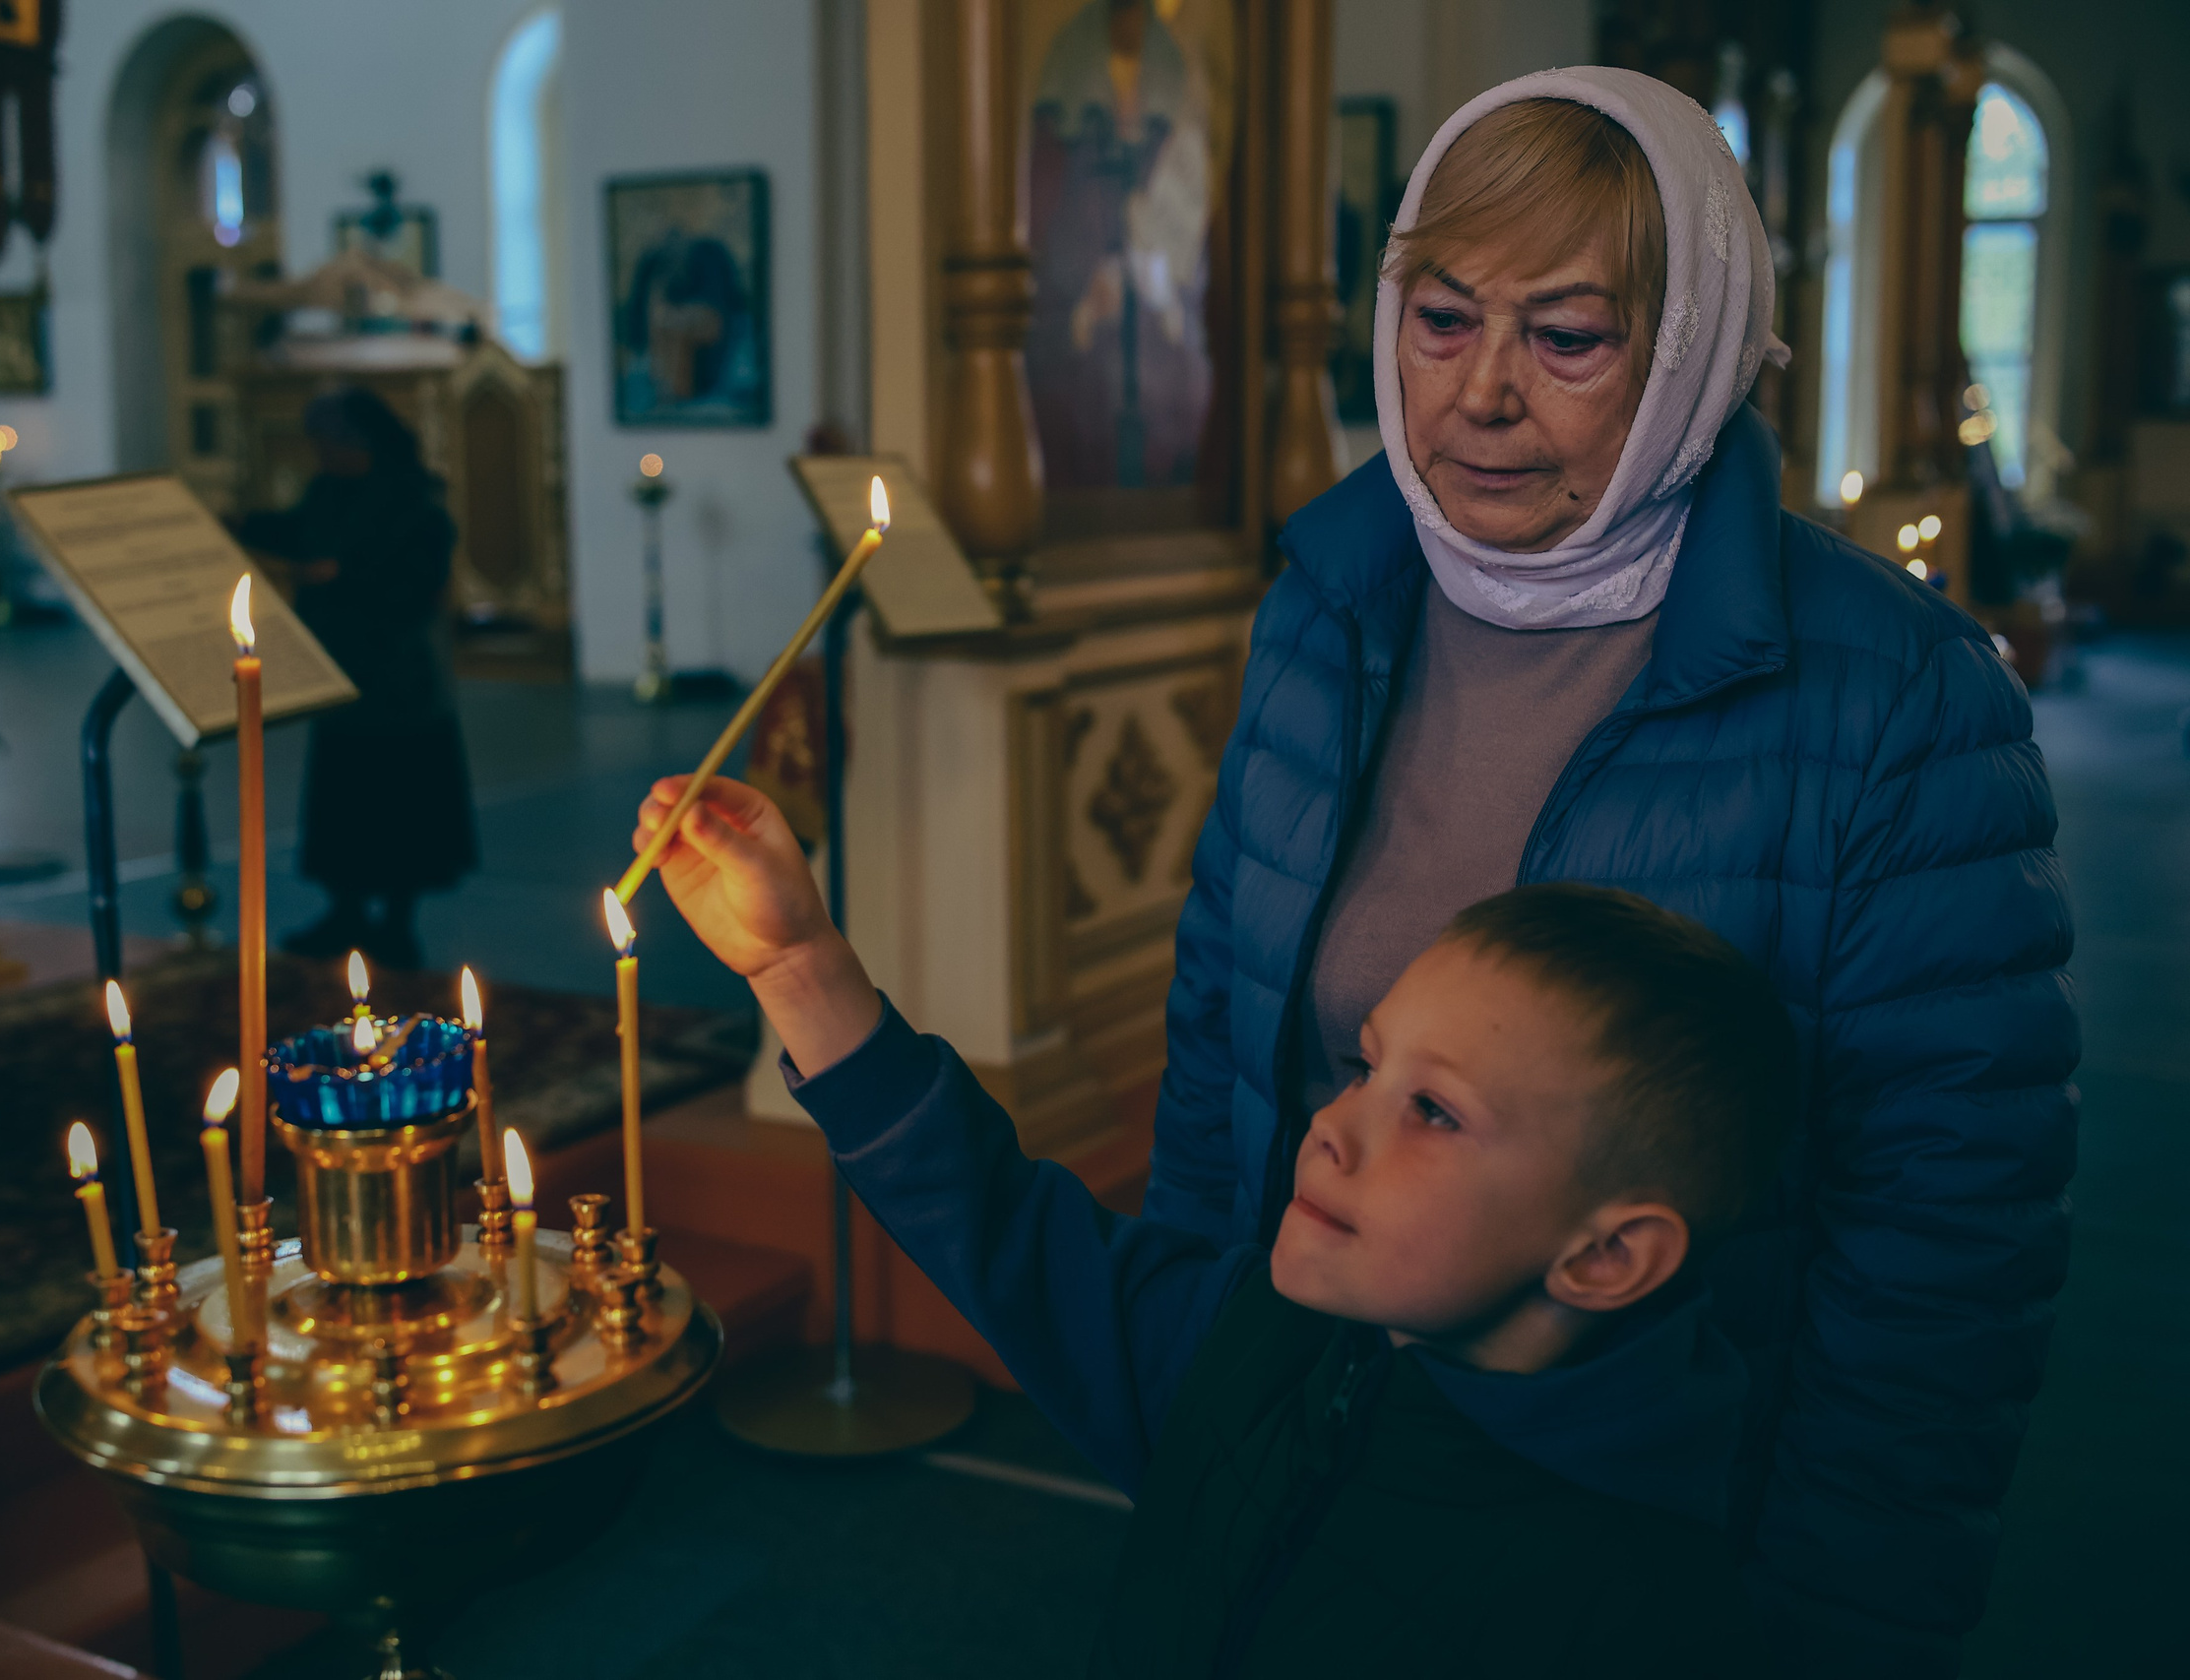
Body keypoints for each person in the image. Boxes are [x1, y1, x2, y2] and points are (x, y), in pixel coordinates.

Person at [1141, 69, 2076, 1674]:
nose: (1482, 393)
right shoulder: (1326, 599)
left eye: (1568, 338)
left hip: (1636, 1525)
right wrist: (1189, 1383)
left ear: (1694, 352)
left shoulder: (1899, 696)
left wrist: (1836, 1619)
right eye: (1441, 318)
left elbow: (1943, 1233)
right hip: (1304, 1432)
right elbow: (1220, 1035)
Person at [634, 771, 1787, 1674]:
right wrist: (797, 964)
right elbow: (1006, 1228)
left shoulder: (1636, 1610)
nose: (1332, 1127)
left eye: (1432, 1112)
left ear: (1604, 1255)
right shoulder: (1256, 1335)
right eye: (1364, 1066)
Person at [239, 388, 477, 970]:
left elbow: (416, 577)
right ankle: (344, 911)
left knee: (398, 805)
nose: (321, 454)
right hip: (343, 673)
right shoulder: (330, 490)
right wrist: (234, 526)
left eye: (330, 443)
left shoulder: (414, 498)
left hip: (400, 681)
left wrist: (342, 574)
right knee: (346, 799)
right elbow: (297, 531)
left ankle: (396, 923)